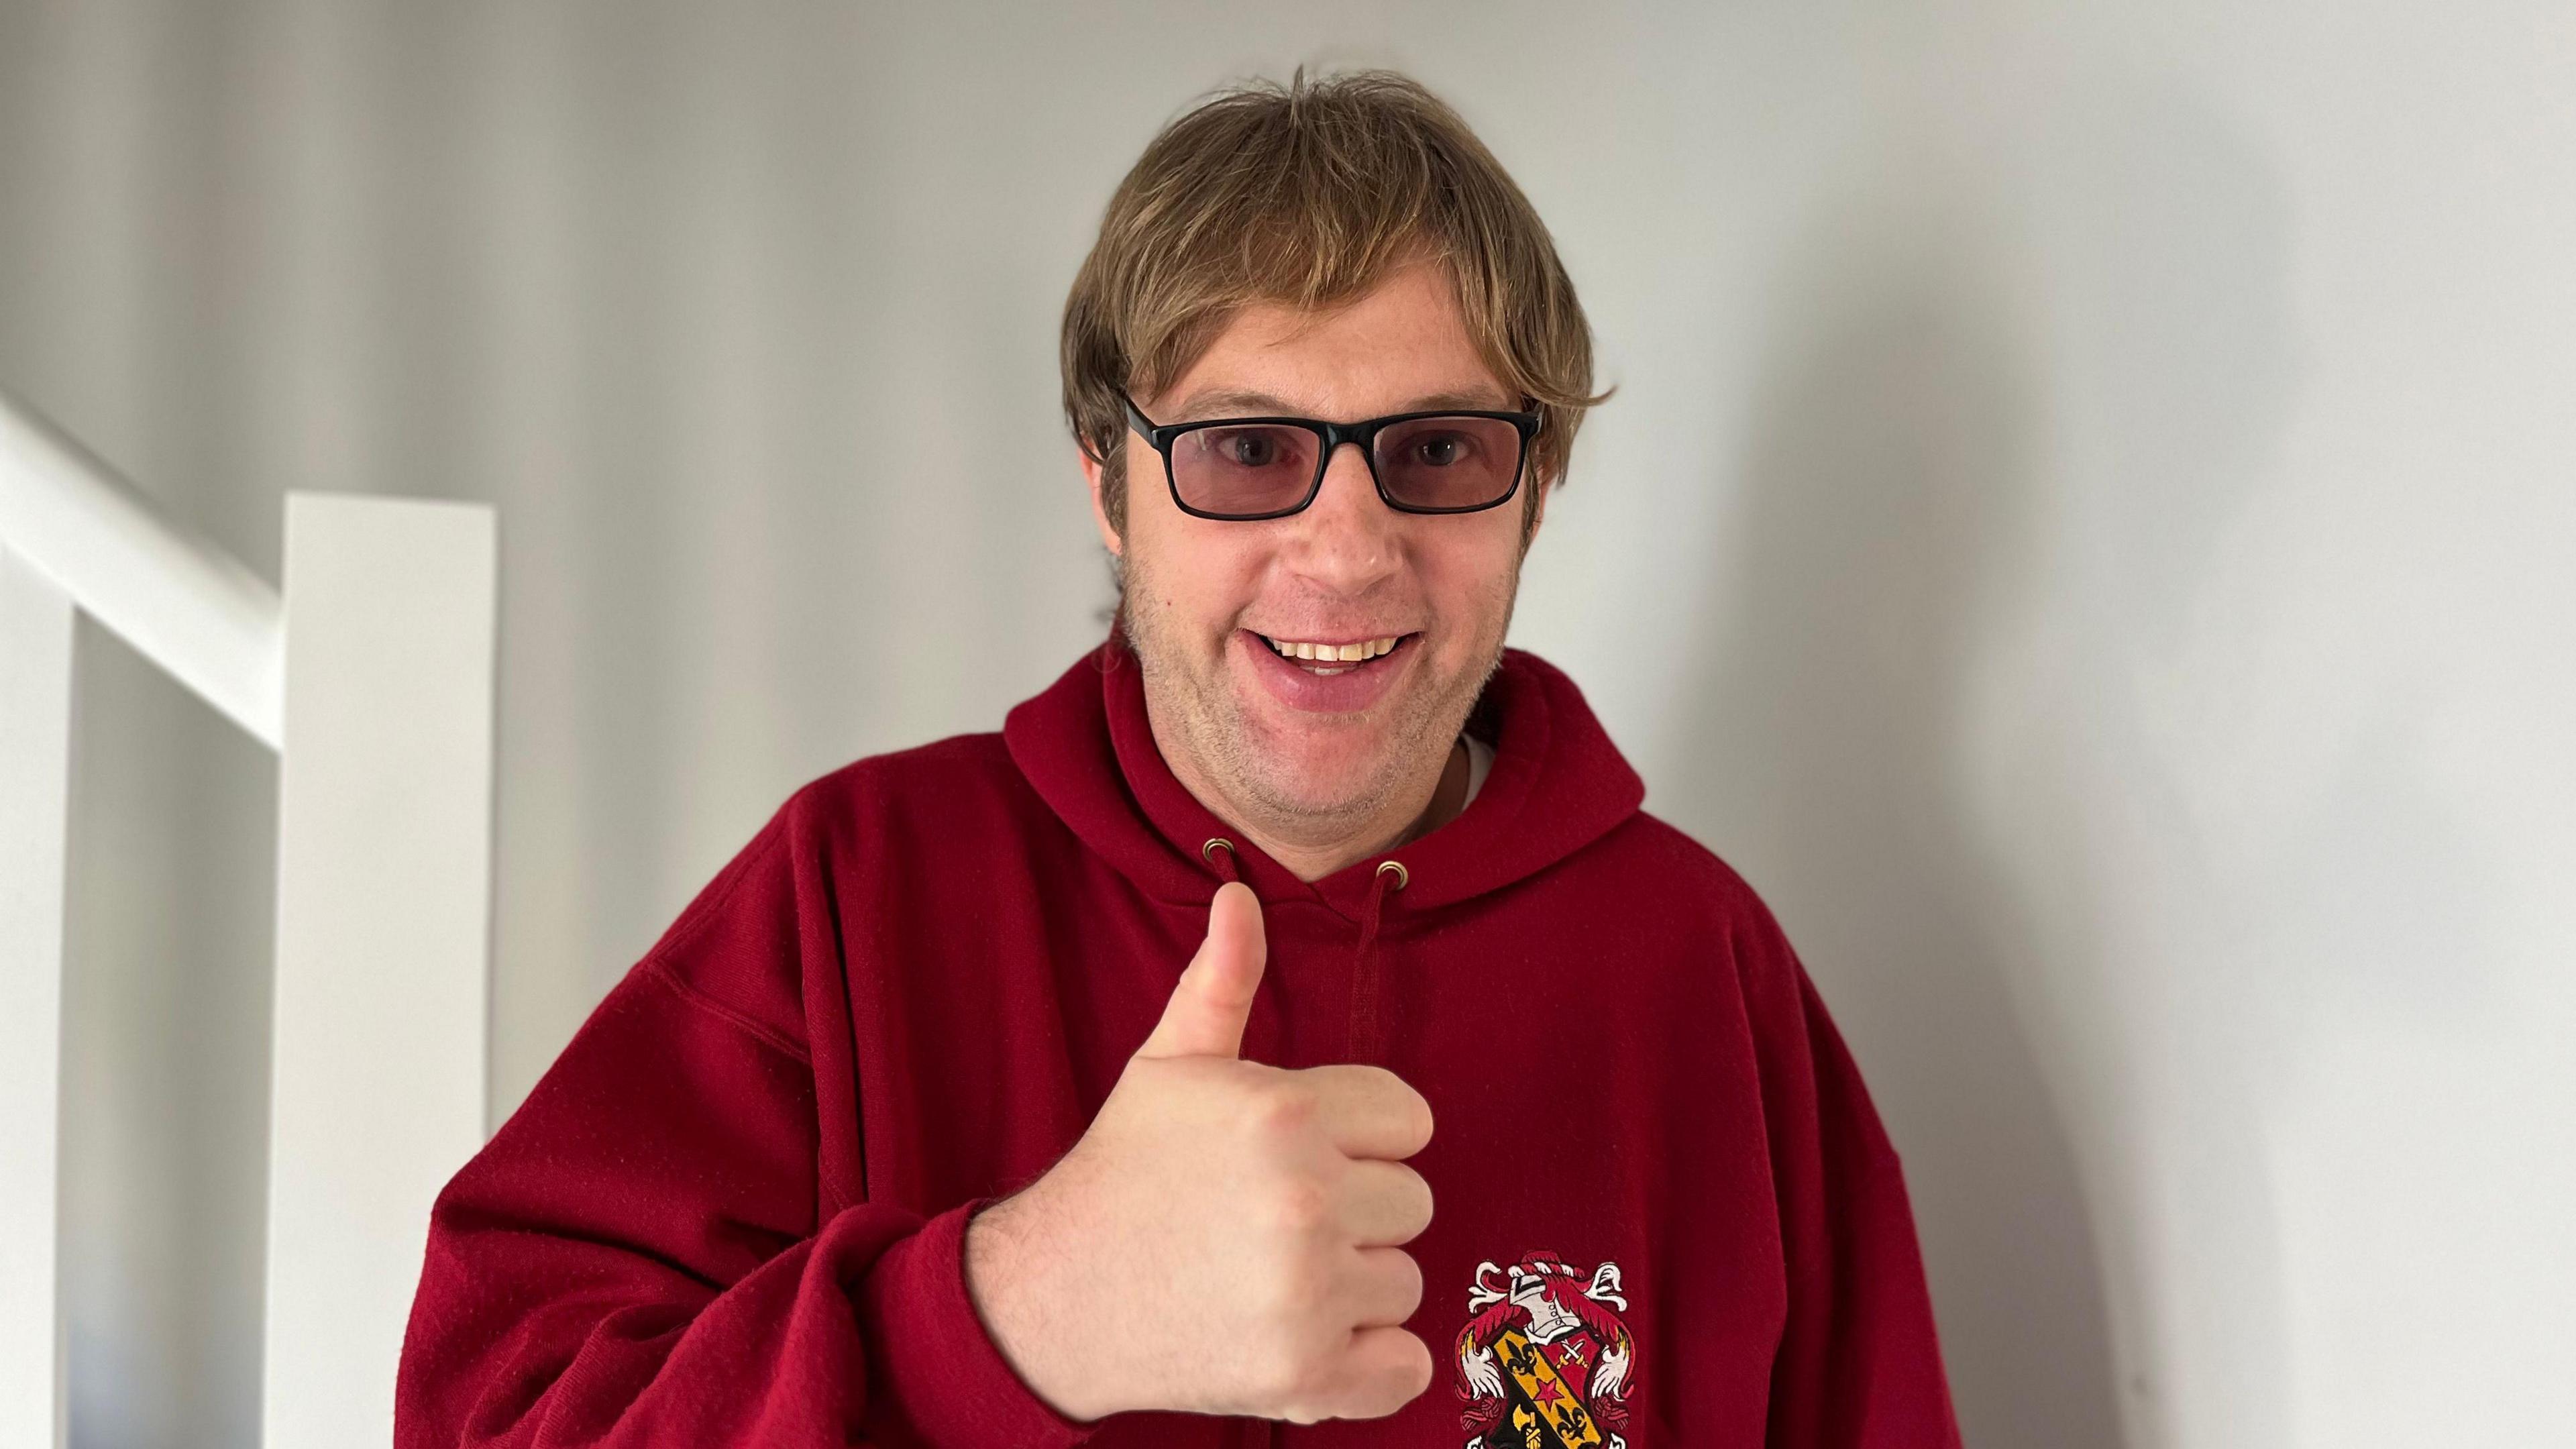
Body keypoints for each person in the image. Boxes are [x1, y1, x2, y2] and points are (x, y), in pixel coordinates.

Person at [396, 69, 1962, 1449]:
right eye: (1249, 450)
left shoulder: (1706, 975)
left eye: (1438, 452)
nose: (1346, 555)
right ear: (1107, 482)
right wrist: (1008, 1317)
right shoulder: (855, 895)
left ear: (1534, 490)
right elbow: (486, 1417)